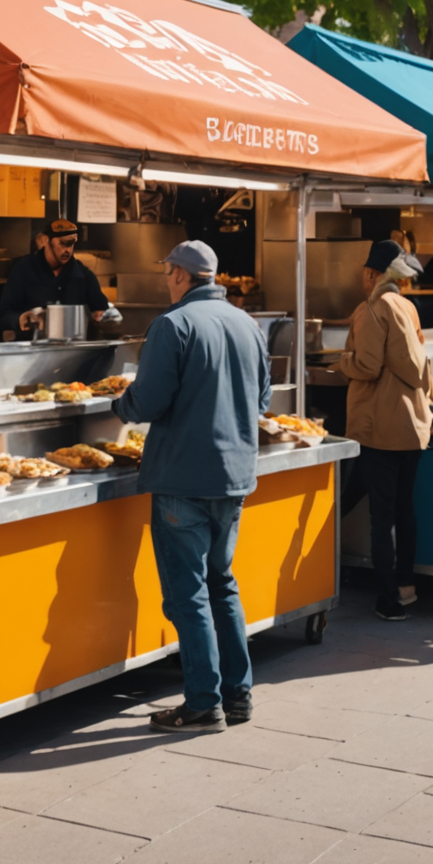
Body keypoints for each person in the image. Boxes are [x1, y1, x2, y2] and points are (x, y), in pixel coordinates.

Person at [114, 241, 272, 733]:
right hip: (235, 476)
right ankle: (239, 696)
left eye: (168, 274)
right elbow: (262, 398)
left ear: (182, 276)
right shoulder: (249, 324)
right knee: (221, 583)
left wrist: (120, 405)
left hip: (183, 476)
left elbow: (149, 401)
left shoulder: (173, 325)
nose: (167, 282)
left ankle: (203, 702)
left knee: (189, 594)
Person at [341, 240, 433, 621]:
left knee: (382, 516)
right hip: (412, 425)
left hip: (379, 426)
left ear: (371, 274)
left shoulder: (372, 309)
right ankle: (406, 585)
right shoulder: (408, 307)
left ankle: (389, 598)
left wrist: (341, 362)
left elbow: (367, 364)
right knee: (403, 508)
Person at [0, 217, 122, 335]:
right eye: (63, 243)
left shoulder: (83, 275)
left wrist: (106, 317)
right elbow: (3, 316)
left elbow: (102, 312)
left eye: (71, 244)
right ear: (45, 241)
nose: (68, 250)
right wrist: (22, 318)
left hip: (73, 352)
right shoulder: (24, 270)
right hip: (33, 351)